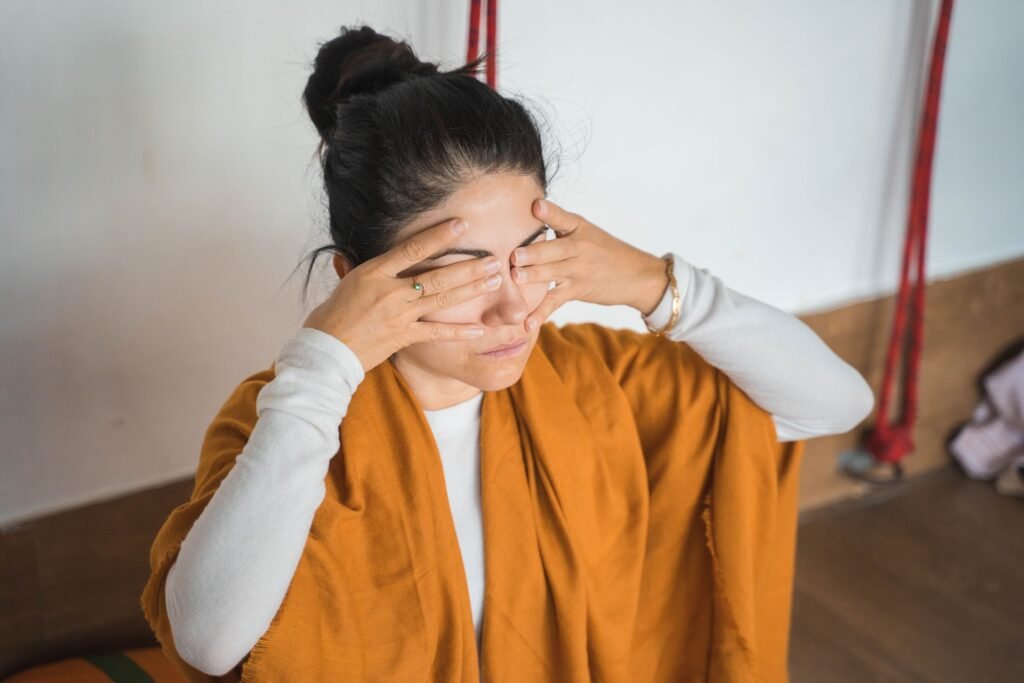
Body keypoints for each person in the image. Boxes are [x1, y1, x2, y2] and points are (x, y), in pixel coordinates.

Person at [140, 24, 875, 682]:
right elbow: (208, 642)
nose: (512, 308)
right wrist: (325, 358)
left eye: (528, 257)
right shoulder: (295, 416)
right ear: (355, 279)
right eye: (463, 271)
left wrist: (658, 284)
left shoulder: (598, 380)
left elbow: (838, 402)